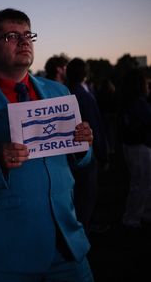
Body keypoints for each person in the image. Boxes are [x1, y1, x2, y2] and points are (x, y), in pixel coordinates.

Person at [0, 8, 95, 281]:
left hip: (68, 244)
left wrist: (83, 145)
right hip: (6, 252)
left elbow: (79, 157)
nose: (24, 41)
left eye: (27, 34)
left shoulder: (59, 92)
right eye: (12, 36)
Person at [66, 58, 109, 234]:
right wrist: (103, 154)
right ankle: (82, 232)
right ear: (85, 74)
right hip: (86, 154)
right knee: (86, 196)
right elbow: (95, 127)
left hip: (71, 155)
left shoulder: (65, 93)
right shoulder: (84, 96)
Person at [118, 68, 151, 229]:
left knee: (140, 182)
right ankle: (132, 218)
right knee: (140, 183)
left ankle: (142, 213)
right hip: (139, 146)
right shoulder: (139, 102)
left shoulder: (125, 100)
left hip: (130, 146)